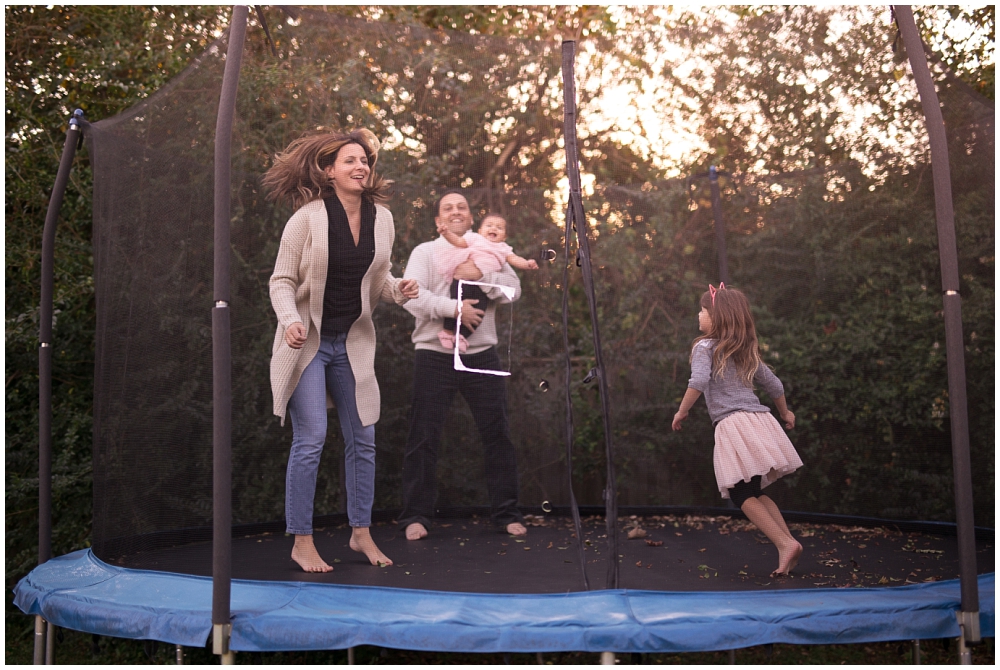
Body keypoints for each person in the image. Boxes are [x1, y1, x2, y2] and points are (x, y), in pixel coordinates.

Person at [263, 129, 419, 573]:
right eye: (350, 160)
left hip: (351, 345)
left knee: (364, 440)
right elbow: (281, 281)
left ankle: (360, 532)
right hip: (309, 343)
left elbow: (379, 280)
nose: (360, 166)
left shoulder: (382, 219)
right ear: (329, 171)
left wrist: (400, 289)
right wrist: (291, 320)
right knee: (310, 439)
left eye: (365, 160)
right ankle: (302, 540)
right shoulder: (307, 219)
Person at [398, 190, 527, 540]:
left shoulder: (490, 247)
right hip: (434, 354)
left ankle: (506, 514)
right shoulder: (424, 252)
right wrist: (454, 309)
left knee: (497, 434)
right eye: (447, 208)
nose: (456, 212)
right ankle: (416, 517)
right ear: (438, 221)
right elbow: (411, 298)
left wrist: (481, 271)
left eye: (462, 207)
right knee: (423, 435)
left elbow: (513, 291)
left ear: (471, 218)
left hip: (481, 354)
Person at [672, 283, 804, 576]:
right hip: (760, 422)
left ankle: (783, 543)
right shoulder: (744, 350)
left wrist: (682, 411)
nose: (699, 314)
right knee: (754, 489)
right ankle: (790, 542)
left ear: (716, 317)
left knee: (739, 494)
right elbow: (775, 384)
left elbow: (698, 381)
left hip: (733, 425)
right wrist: (786, 413)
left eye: (703, 310)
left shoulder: (704, 347)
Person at [435, 212, 538, 352]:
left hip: (481, 287)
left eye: (499, 227)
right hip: (461, 280)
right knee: (456, 304)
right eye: (489, 225)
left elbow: (515, 259)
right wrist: (447, 233)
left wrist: (527, 264)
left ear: (505, 236)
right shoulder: (475, 239)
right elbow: (458, 241)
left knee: (479, 310)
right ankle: (447, 332)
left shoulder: (503, 249)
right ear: (480, 231)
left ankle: (461, 336)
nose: (493, 229)